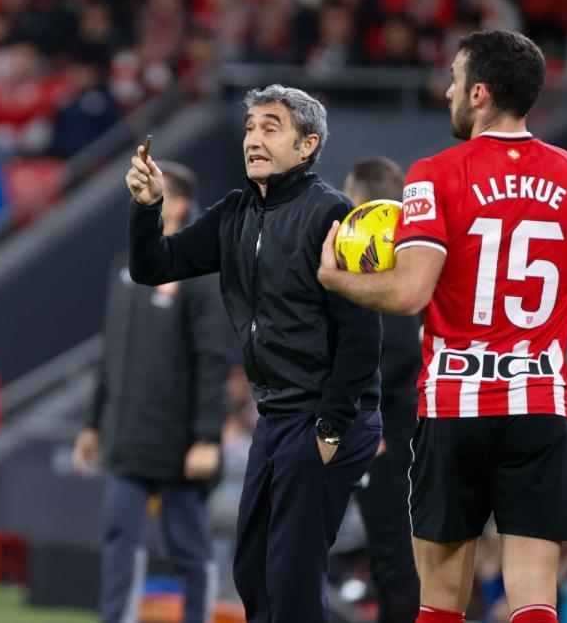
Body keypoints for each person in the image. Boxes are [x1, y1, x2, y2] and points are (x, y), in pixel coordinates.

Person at [317, 30, 567, 623]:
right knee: (535, 598)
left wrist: (338, 280)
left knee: (440, 601)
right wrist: (557, 306)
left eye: (453, 78)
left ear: (479, 93)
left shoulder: (434, 174)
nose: (446, 89)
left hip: (456, 405)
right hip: (540, 405)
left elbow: (410, 291)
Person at [126, 84, 383, 622]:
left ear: (307, 145)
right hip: (276, 415)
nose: (254, 139)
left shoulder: (332, 213)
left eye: (271, 127)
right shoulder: (236, 212)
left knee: (289, 578)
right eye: (249, 127)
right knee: (253, 571)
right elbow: (155, 267)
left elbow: (362, 334)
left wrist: (332, 425)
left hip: (326, 415)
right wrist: (148, 208)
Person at [72, 161, 232, 623]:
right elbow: (111, 353)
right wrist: (91, 424)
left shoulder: (201, 270)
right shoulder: (125, 265)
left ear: (177, 203)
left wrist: (206, 436)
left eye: (148, 189)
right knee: (119, 538)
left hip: (178, 444)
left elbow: (213, 360)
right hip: (124, 437)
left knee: (190, 551)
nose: (138, 196)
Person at [343, 157, 422, 622]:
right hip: (412, 427)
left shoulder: (381, 255)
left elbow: (392, 350)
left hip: (389, 433)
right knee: (399, 556)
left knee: (394, 557)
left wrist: (363, 419)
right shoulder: (421, 254)